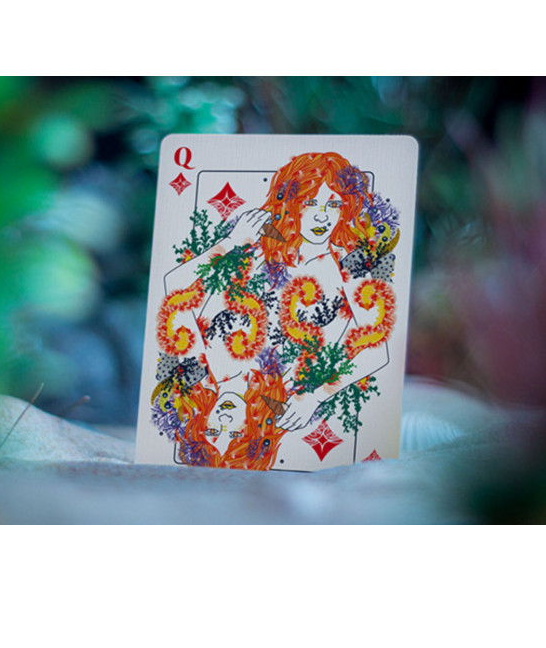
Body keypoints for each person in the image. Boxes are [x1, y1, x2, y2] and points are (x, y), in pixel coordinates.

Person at [153, 152, 399, 469]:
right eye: (311, 203)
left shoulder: (199, 368)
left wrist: (231, 242)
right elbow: (376, 350)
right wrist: (315, 397)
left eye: (333, 204)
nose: (322, 217)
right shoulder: (286, 390)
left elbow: (173, 286)